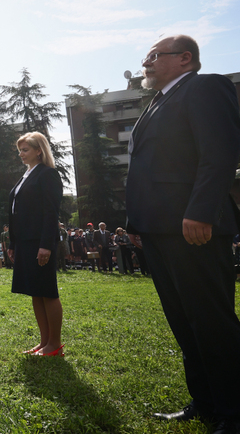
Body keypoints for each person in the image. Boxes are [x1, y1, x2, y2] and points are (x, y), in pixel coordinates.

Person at [126, 35, 240, 433]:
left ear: (185, 58)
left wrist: (201, 211)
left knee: (210, 320)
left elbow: (220, 152)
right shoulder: (158, 101)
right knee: (183, 319)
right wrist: (137, 224)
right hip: (159, 229)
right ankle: (206, 402)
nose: (146, 62)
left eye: (154, 55)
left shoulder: (205, 87)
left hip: (193, 227)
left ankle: (234, 411)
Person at [7, 132, 63, 356]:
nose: (21, 154)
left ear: (39, 150)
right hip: (25, 241)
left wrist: (46, 244)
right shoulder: (26, 176)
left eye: (25, 150)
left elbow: (51, 212)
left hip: (40, 241)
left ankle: (55, 344)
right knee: (36, 292)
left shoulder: (47, 174)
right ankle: (44, 342)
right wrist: (13, 243)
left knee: (47, 291)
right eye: (19, 150)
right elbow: (15, 212)